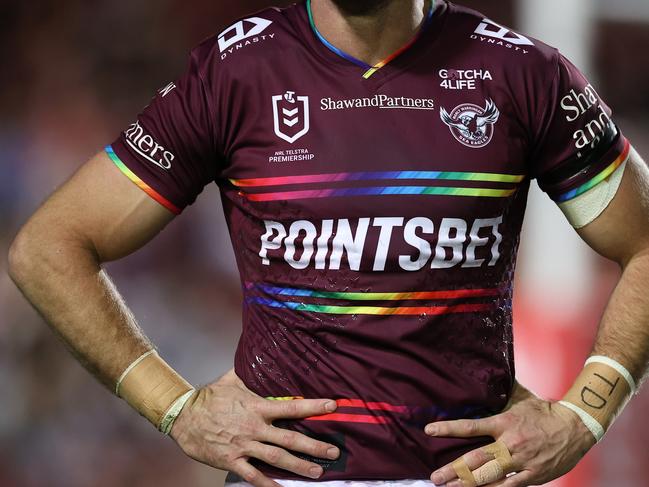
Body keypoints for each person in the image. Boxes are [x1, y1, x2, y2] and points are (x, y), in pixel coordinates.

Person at [8, 0, 649, 486]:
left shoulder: (523, 73)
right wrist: (176, 408)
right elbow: (50, 247)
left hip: (463, 474)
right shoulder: (236, 73)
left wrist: (584, 415)